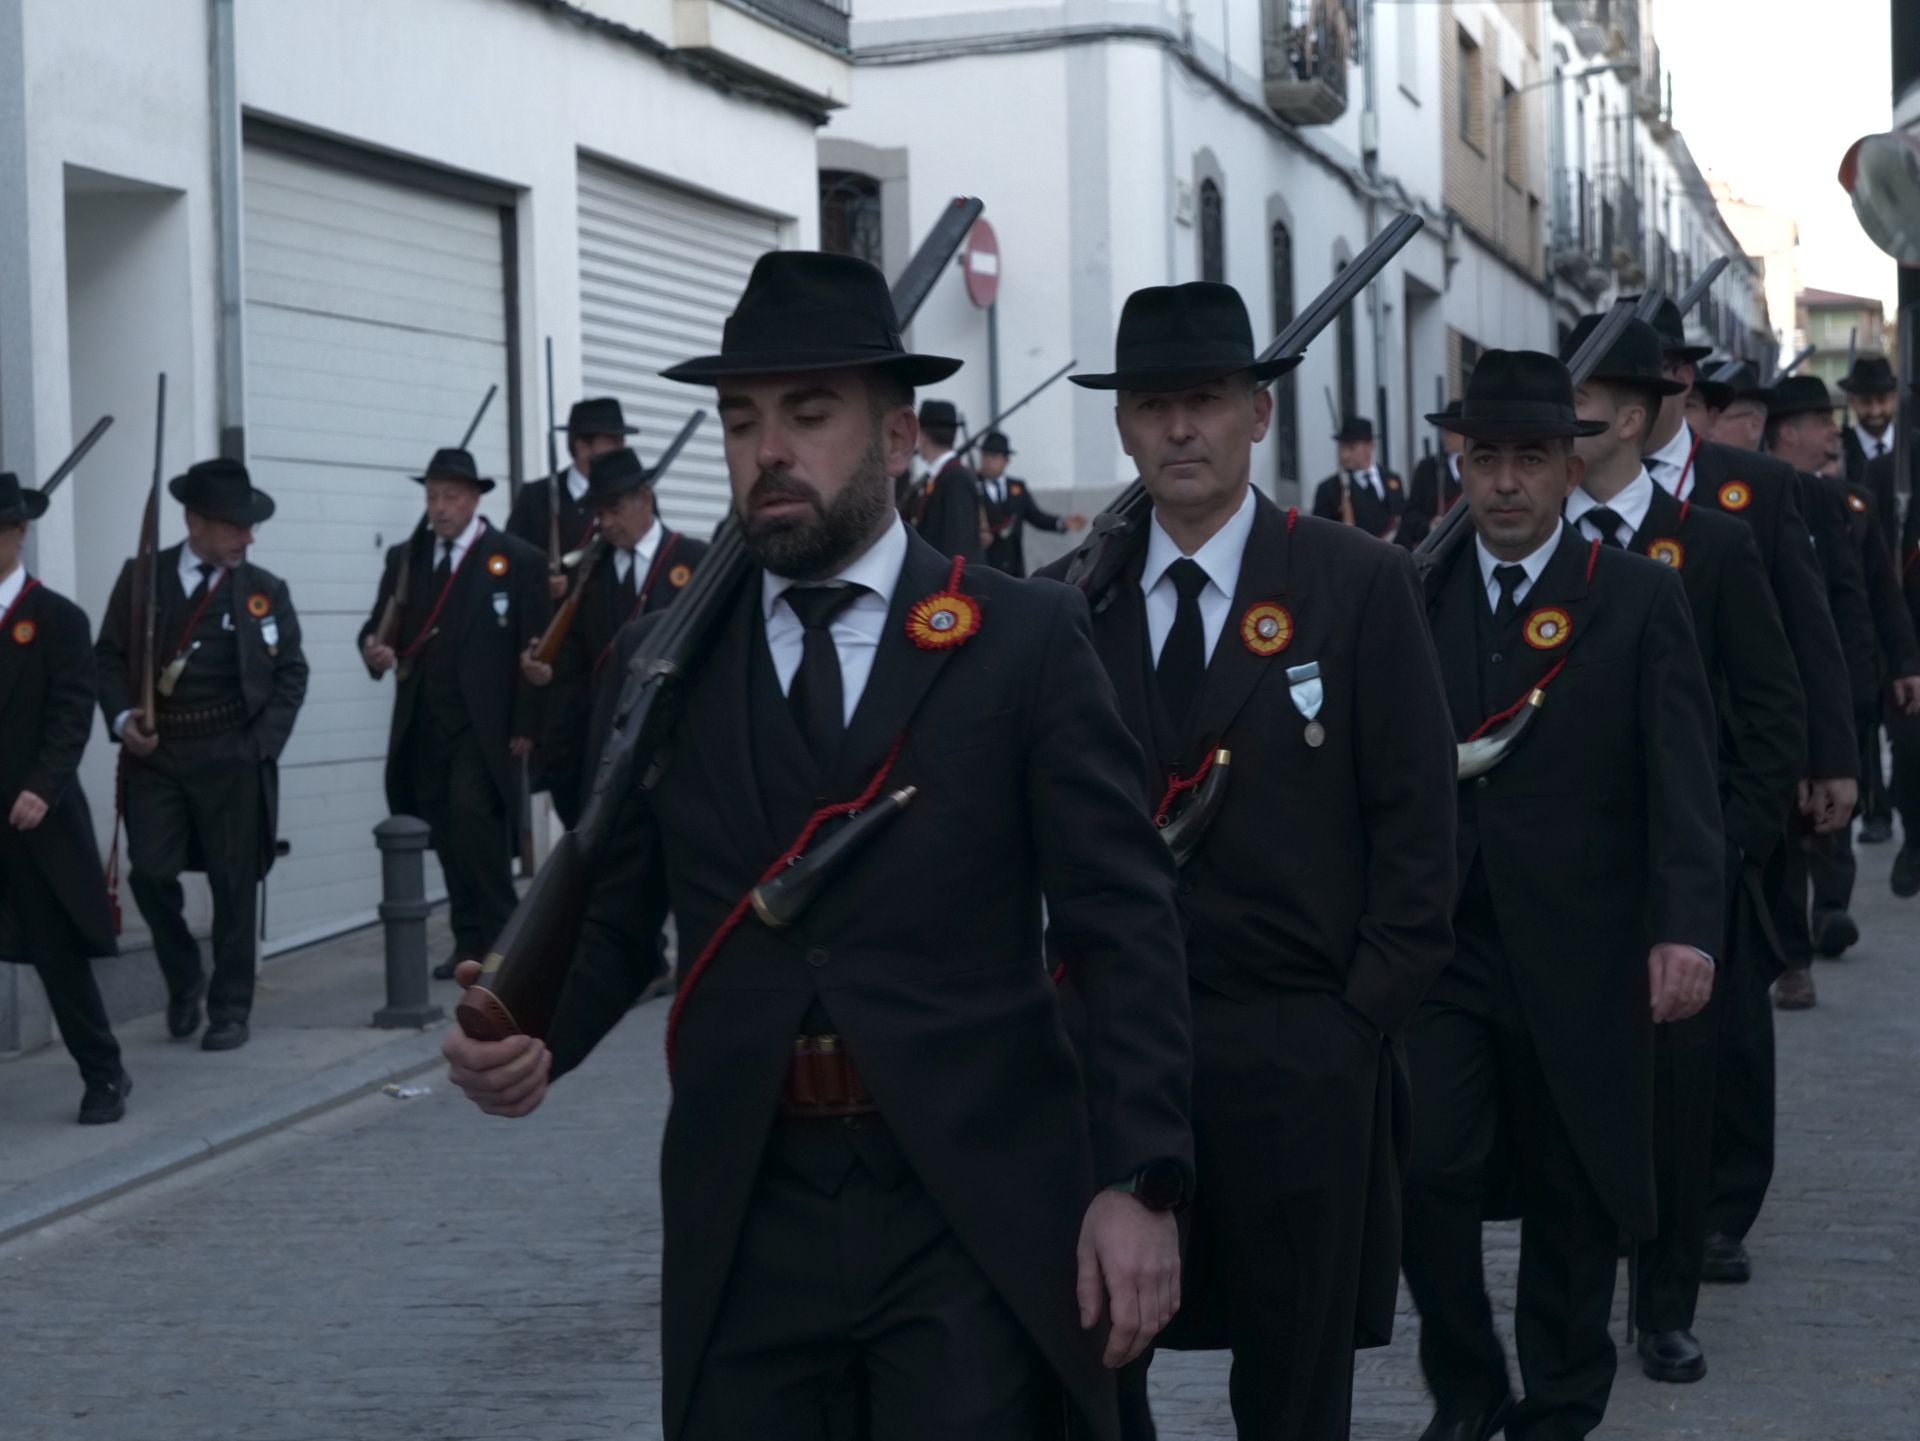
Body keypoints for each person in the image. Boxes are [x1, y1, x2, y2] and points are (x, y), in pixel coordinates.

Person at [443, 252, 1194, 1441]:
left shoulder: (1020, 638)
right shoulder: (665, 660)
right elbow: (624, 916)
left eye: (807, 415)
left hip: (966, 1196)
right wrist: (534, 1034)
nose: (767, 450)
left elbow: (1123, 920)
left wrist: (1143, 1177)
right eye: (742, 421)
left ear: (896, 438)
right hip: (750, 1206)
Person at [1040, 282, 1457, 1440]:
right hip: (1110, 1069)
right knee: (1091, 1374)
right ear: (1122, 426)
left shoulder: (1356, 585)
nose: (1181, 429)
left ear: (1259, 416)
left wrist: (1352, 1026)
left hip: (1297, 1063)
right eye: (1154, 405)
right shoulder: (1066, 606)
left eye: (1208, 401)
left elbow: (1421, 838)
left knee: (1292, 1397)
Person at [1400, 349, 1723, 1441]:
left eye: (1528, 459)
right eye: (1483, 457)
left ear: (1568, 466)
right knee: (1426, 1166)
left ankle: (1561, 1401)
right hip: (1445, 945)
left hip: (1586, 948)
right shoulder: (1414, 594)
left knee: (1572, 1191)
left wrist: (1685, 930)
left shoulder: (1635, 597)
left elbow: (1684, 778)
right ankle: (1467, 1381)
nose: (1503, 482)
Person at [1564, 317, 1805, 1387]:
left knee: (1679, 1097)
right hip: (1551, 877)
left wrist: (1726, 849)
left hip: (1681, 872)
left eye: (1576, 407)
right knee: (1564, 1106)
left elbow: (1769, 708)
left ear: (1630, 415)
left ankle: (1663, 1303)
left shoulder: (1708, 543)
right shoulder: (1511, 545)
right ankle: (1567, 1314)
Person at [95, 459, 308, 1053]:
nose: (248, 537)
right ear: (194, 521)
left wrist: (261, 747)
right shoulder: (141, 578)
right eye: (235, 525)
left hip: (232, 753)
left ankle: (231, 1007)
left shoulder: (265, 590)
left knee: (234, 883)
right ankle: (184, 975)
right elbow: (107, 659)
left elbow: (292, 674)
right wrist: (121, 720)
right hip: (158, 753)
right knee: (152, 873)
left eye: (249, 525)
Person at [359, 447, 548, 981]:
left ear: (473, 499)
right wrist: (375, 650)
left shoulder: (515, 559)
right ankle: (469, 944)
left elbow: (537, 650)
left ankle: (505, 948)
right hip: (424, 722)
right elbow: (376, 628)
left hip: (485, 727)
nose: (439, 508)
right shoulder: (407, 558)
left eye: (449, 497)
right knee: (443, 831)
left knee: (477, 832)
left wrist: (527, 726)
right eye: (431, 497)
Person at [1764, 377, 1920, 964]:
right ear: (1788, 432)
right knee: (1785, 809)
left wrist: (1903, 663)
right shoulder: (1751, 501)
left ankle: (1831, 909)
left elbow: (1883, 592)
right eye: (1821, 421)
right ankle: (1789, 939)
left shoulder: (1852, 503)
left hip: (1848, 678)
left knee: (1840, 789)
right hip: (1778, 683)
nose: (1837, 430)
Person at [0, 472, 128, 1121]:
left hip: (31, 817)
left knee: (56, 955)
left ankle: (104, 1073)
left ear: (19, 532)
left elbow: (73, 712)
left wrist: (41, 787)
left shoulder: (56, 619)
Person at [519, 443, 704, 830]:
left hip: (671, 735)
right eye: (600, 512)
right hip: (603, 732)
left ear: (645, 500)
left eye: (615, 509)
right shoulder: (591, 569)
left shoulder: (693, 559)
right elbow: (573, 653)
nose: (606, 523)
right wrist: (545, 668)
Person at [508, 396, 638, 824]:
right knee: (567, 785)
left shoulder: (629, 494)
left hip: (603, 657)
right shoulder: (536, 499)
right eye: (609, 441)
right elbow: (510, 573)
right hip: (555, 668)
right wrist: (544, 587)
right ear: (581, 447)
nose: (618, 448)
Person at [977, 431, 1085, 575]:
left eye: (994, 456)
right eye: (985, 455)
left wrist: (1062, 522)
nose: (988, 461)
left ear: (1006, 460)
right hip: (983, 564)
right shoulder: (971, 485)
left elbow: (1035, 516)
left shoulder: (1017, 487)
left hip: (1012, 566)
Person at [901, 398, 985, 564]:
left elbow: (958, 547)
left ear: (922, 436)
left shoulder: (955, 479)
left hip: (949, 586)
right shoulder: (937, 477)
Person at [1311, 417, 1405, 539]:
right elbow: (1320, 534)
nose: (1344, 455)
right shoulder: (1329, 489)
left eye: (1351, 448)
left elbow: (1403, 520)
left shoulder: (1392, 480)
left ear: (1369, 446)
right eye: (1341, 448)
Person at [1839, 353, 1900, 539]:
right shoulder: (1839, 449)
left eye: (1882, 400)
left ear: (1894, 398)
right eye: (1866, 402)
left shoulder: (1911, 446)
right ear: (1851, 401)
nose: (1875, 411)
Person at [1401, 401, 1465, 548]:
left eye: (1450, 432)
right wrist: (1430, 525)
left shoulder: (1481, 467)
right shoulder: (1427, 469)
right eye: (1443, 431)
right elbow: (1410, 515)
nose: (1443, 437)